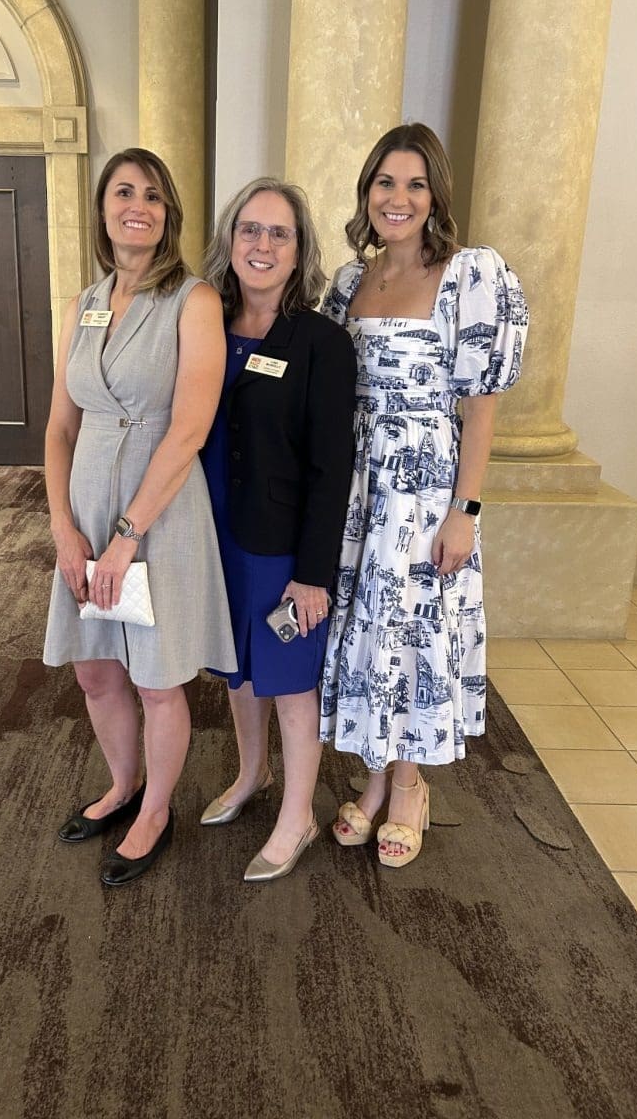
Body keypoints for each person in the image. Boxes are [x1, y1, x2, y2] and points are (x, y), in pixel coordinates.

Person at [320, 123, 528, 867]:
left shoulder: (470, 276)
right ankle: (376, 777)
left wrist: (463, 513)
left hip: (426, 489)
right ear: (367, 192)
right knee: (368, 631)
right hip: (359, 483)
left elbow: (481, 410)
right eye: (385, 182)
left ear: (436, 194)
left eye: (414, 184)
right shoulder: (349, 281)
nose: (398, 198)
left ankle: (408, 787)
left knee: (411, 633)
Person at [42, 148, 236, 886]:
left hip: (161, 509)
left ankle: (156, 810)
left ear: (168, 214)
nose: (138, 207)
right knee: (95, 670)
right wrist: (64, 527)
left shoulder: (193, 300)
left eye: (153, 196)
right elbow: (59, 429)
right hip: (88, 503)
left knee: (156, 679)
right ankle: (123, 786)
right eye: (124, 192)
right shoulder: (82, 304)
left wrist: (128, 536)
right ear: (102, 209)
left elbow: (189, 429)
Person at [199, 178, 356, 882]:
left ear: (299, 252)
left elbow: (332, 468)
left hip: (282, 548)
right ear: (230, 240)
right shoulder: (203, 324)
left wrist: (313, 574)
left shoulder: (322, 342)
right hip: (213, 533)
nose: (261, 244)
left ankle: (298, 816)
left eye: (279, 233)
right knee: (236, 667)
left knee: (290, 680)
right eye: (250, 229)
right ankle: (251, 773)